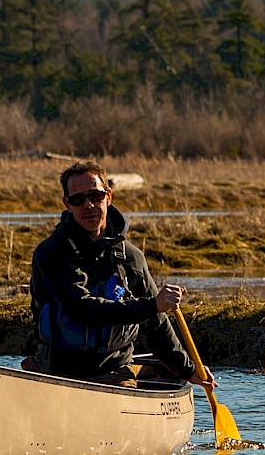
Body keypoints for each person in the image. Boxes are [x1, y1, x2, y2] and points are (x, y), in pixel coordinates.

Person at [29, 160, 213, 389]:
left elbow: (155, 324)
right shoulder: (51, 254)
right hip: (56, 370)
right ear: (67, 204)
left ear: (108, 196)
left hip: (113, 370)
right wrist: (151, 305)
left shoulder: (130, 257)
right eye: (78, 199)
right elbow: (80, 309)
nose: (88, 205)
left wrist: (187, 369)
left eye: (95, 196)